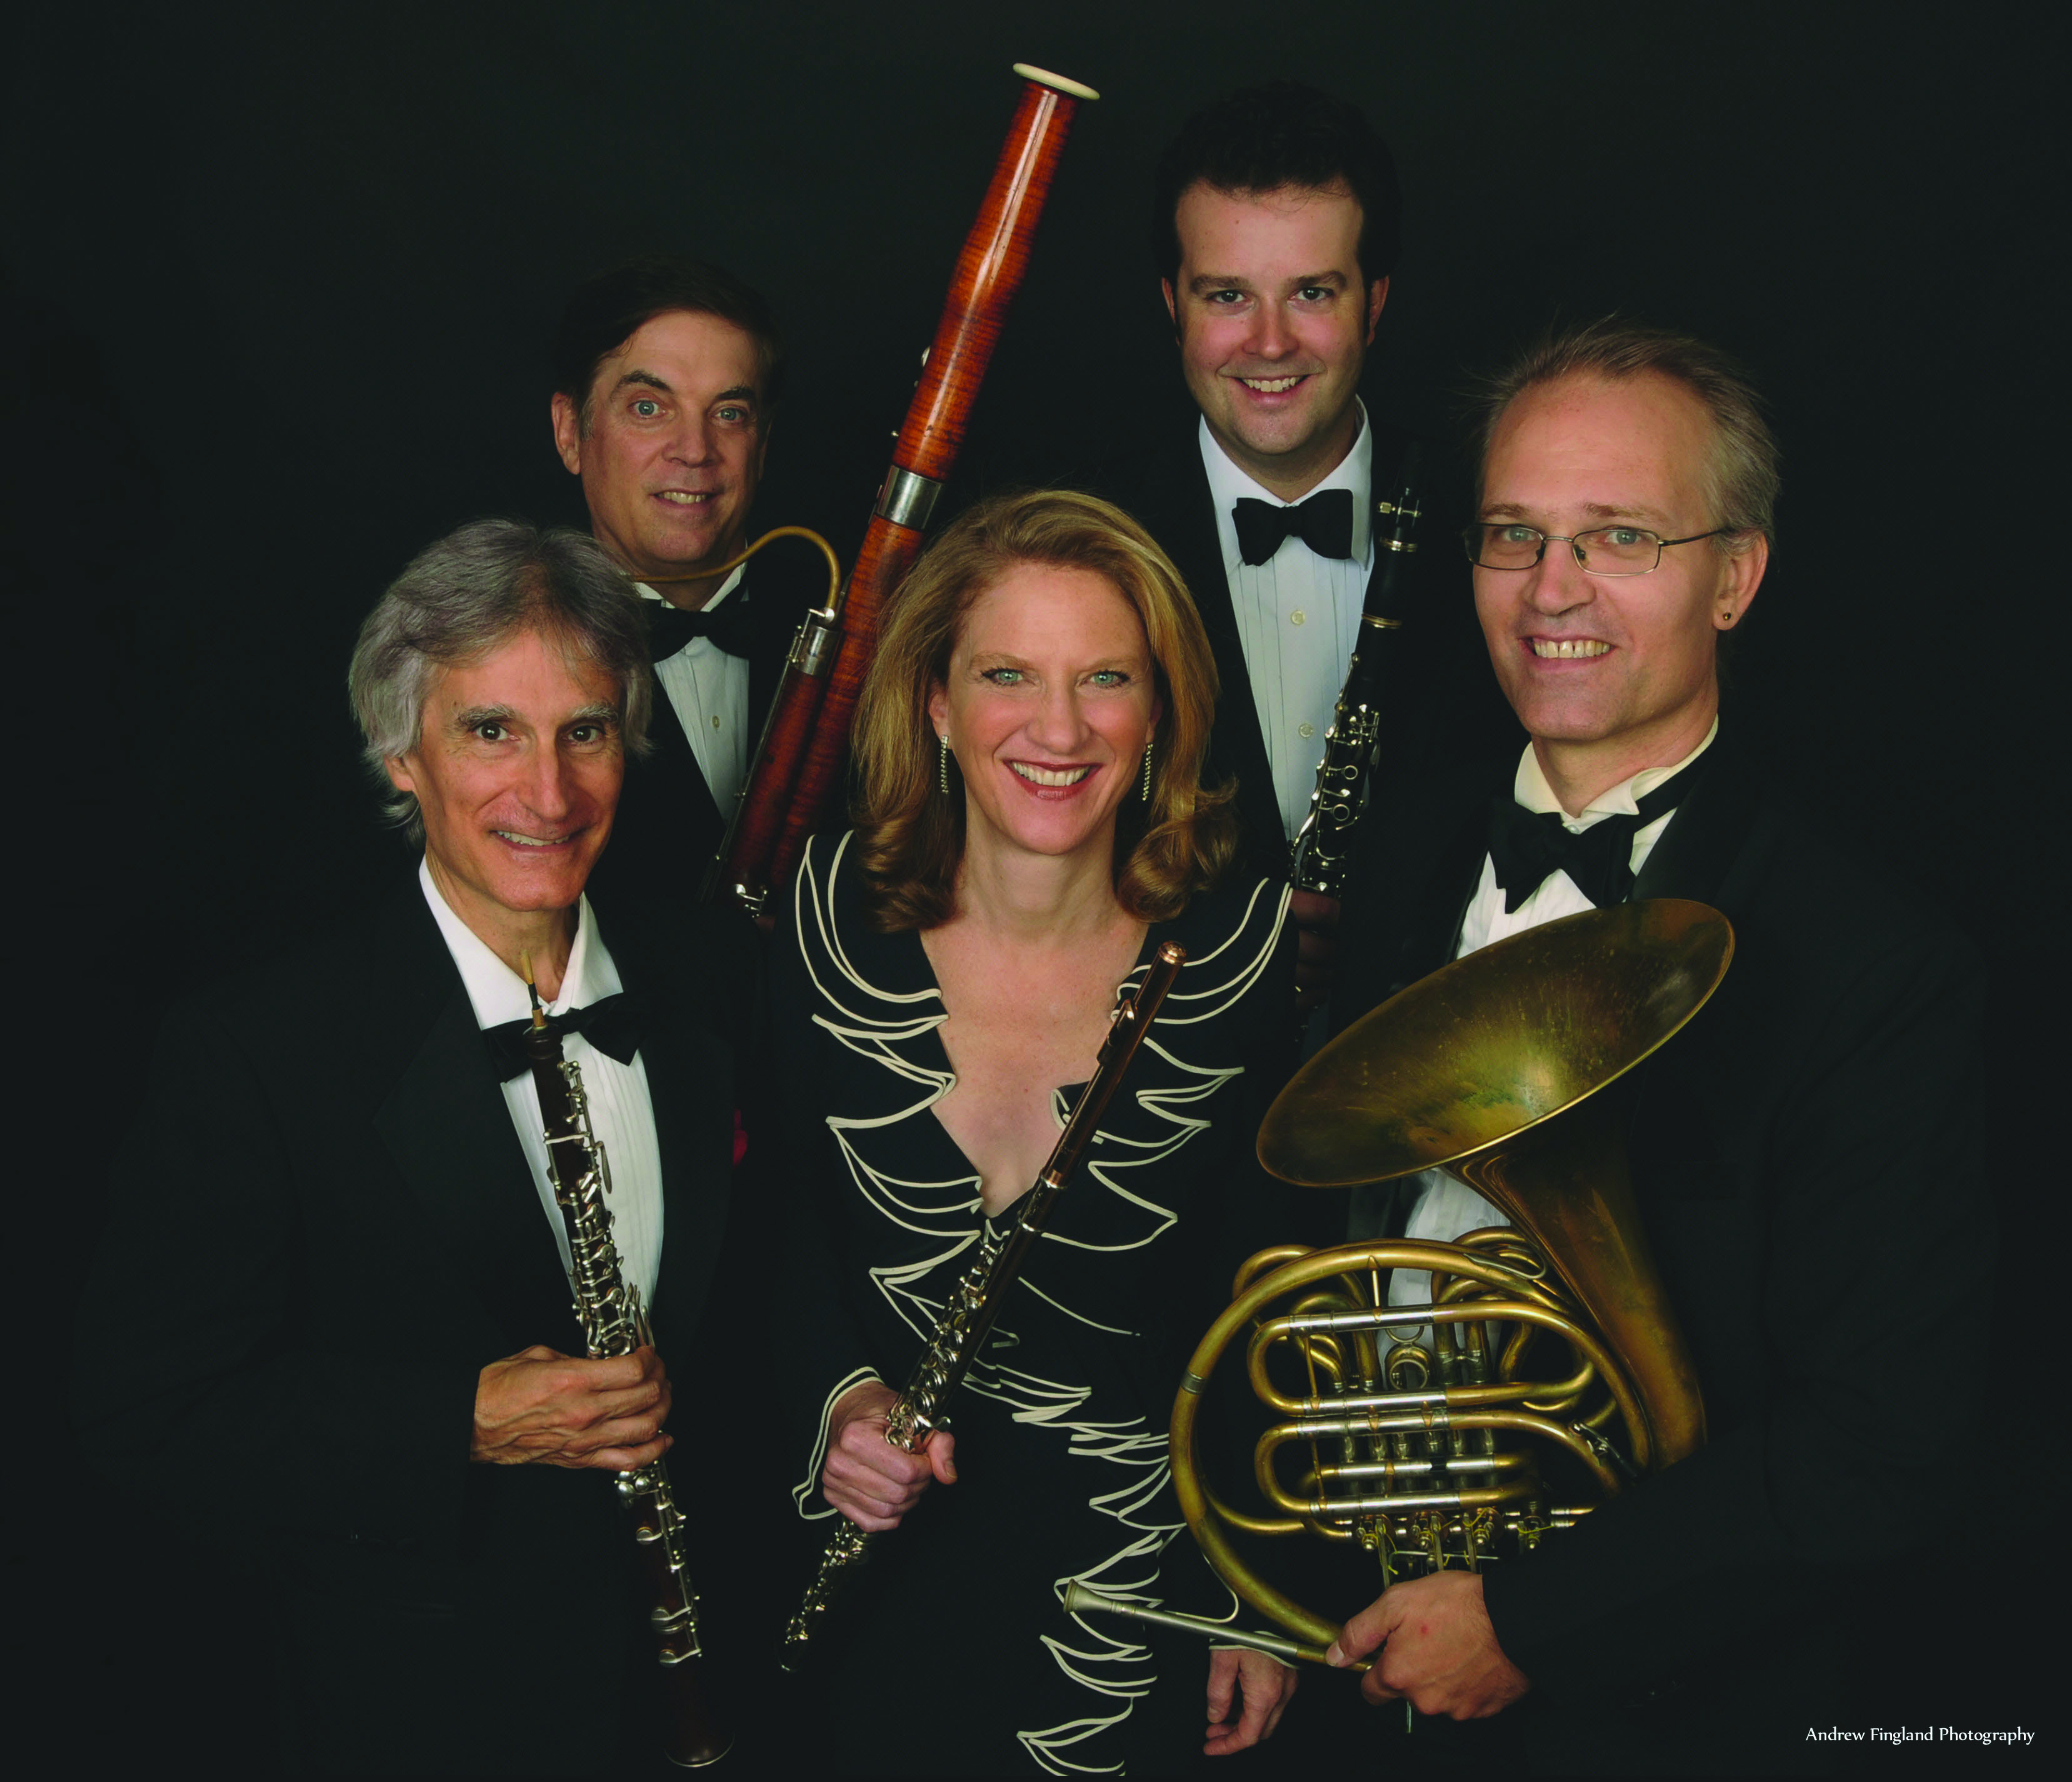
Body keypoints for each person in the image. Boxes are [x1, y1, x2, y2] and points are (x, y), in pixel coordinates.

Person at [1318, 322, 1988, 1770]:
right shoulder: (1390, 861)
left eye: (1618, 536)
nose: (1551, 589)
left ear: (1731, 578)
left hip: (1653, 1712)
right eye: (1514, 534)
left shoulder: (1871, 966)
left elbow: (1882, 1447)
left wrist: (1530, 1620)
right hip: (1345, 1657)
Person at [74, 522, 757, 1773]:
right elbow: (143, 1412)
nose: (548, 794)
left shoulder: (711, 993)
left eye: (585, 732)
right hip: (417, 1716)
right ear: (402, 755)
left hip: (711, 1692)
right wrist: (461, 1420)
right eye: (490, 730)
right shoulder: (258, 1052)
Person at [773, 489, 1301, 1774]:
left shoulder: (1247, 953)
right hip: (853, 1581)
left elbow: (1272, 1290)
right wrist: (840, 1399)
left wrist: (1258, 1593)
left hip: (1127, 1598)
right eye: (1007, 673)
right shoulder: (820, 909)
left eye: (1105, 678)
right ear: (936, 703)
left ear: (1158, 711)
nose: (1058, 730)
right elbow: (763, 1226)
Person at [1118, 82, 1510, 1018]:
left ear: (1373, 304)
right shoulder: (1084, 542)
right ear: (1172, 305)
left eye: (1311, 292)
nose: (1269, 343)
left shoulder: (1498, 525)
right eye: (1226, 295)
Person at [549, 254, 821, 916]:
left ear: (763, 443)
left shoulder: (857, 635)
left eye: (729, 413)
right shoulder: (500, 651)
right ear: (571, 433)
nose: (695, 450)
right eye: (649, 408)